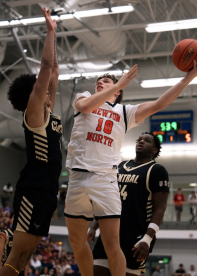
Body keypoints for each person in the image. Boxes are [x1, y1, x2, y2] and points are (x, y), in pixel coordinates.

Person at [64, 58, 197, 276]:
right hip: (77, 176)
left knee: (112, 246)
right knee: (76, 242)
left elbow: (159, 104)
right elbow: (86, 106)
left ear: (117, 93)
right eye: (99, 80)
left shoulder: (125, 112)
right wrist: (117, 85)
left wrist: (189, 77)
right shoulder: (84, 97)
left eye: (106, 81)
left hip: (105, 179)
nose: (100, 82)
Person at [0, 8, 62, 276]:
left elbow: (55, 69)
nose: (50, 89)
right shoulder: (34, 113)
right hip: (33, 190)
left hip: (48, 192)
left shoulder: (51, 110)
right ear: (34, 94)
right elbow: (46, 68)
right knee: (17, 255)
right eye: (44, 88)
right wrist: (49, 31)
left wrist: (56, 35)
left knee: (25, 259)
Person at [88, 132, 169, 276]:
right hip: (110, 232)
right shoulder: (120, 166)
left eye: (147, 141)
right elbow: (108, 200)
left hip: (136, 236)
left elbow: (160, 209)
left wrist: (148, 238)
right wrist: (94, 226)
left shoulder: (157, 171)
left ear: (154, 150)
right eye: (140, 139)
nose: (141, 142)